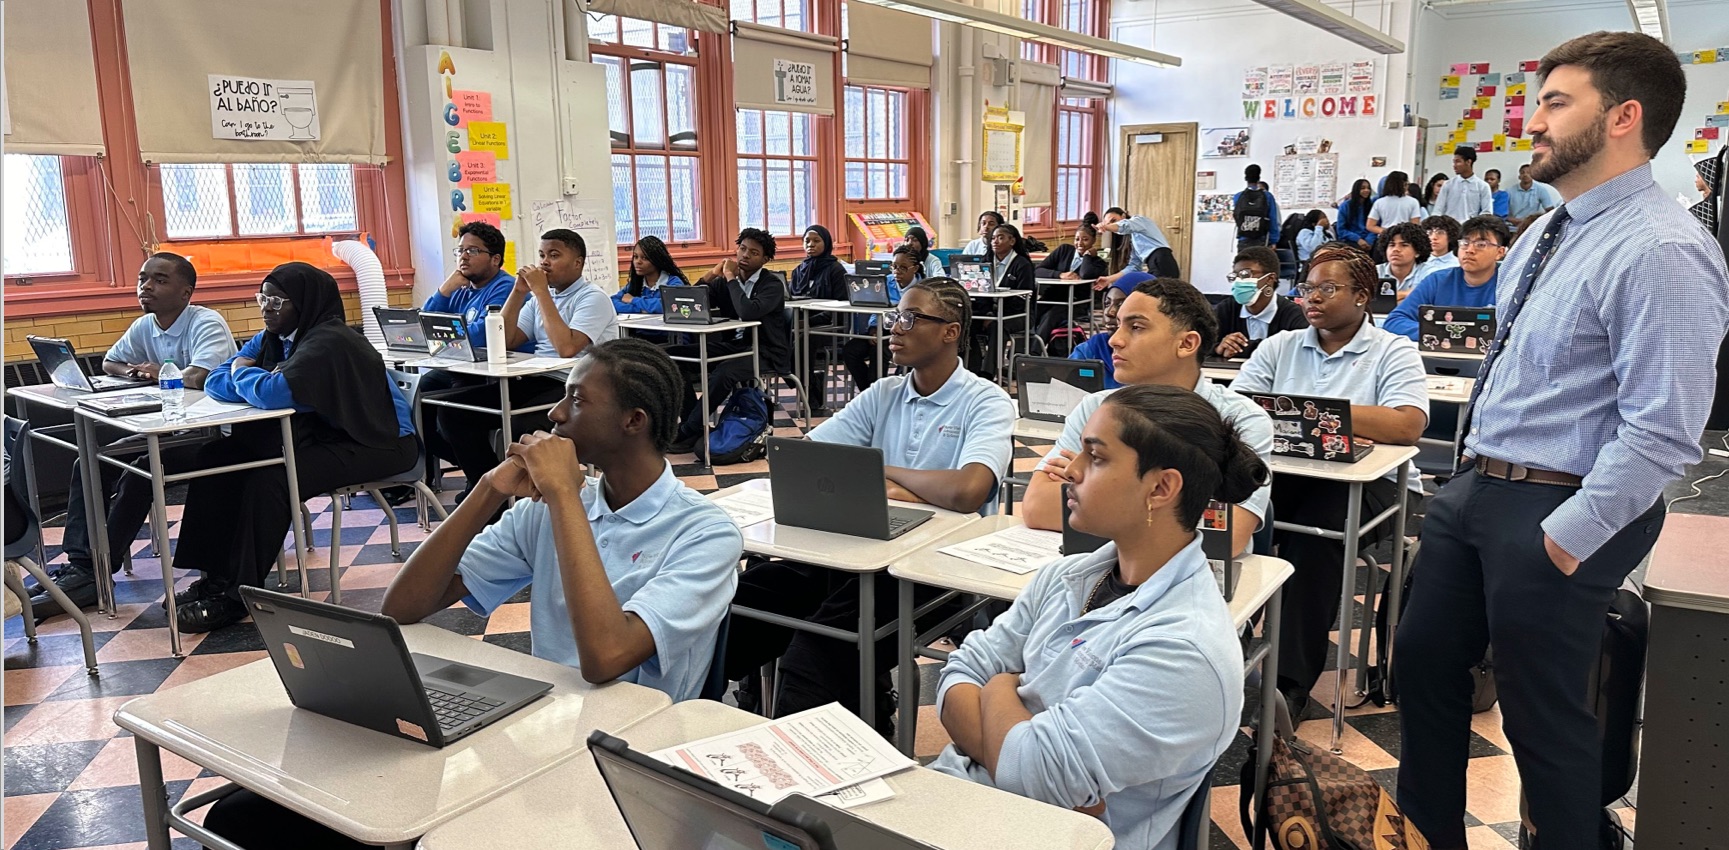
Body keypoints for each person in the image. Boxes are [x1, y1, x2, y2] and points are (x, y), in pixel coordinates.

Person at [1395, 32, 1729, 850]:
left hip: (1561, 505)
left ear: (1622, 117)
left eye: (1554, 103)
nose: (1532, 122)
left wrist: (1565, 540)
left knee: (1544, 719)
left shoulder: (1662, 250)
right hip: (1476, 486)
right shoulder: (1549, 232)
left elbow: (1664, 429)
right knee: (1423, 676)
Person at [207, 339, 742, 850]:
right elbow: (405, 606)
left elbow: (604, 659)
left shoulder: (705, 534)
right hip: (541, 722)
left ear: (633, 421)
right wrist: (489, 489)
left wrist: (562, 497)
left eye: (576, 400)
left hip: (628, 752)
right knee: (244, 815)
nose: (555, 414)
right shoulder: (547, 508)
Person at [928, 384, 1268, 850]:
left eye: (1097, 458)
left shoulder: (1184, 648)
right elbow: (959, 674)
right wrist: (1012, 744)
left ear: (1161, 488)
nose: (1071, 472)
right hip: (967, 805)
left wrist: (998, 688)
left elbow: (1032, 773)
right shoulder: (1068, 576)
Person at [725, 277, 1015, 730]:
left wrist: (886, 472)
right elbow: (806, 459)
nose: (894, 328)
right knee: (738, 607)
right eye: (895, 317)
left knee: (813, 656)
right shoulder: (884, 393)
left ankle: (808, 777)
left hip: (930, 571)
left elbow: (968, 491)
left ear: (950, 332)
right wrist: (900, 485)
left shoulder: (985, 400)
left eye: (910, 318)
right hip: (852, 549)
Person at [1231, 245, 1428, 719]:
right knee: (1231, 511)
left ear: (1362, 296)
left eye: (1327, 288)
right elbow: (1239, 408)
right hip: (1289, 474)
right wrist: (1344, 422)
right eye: (1307, 289)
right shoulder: (1281, 346)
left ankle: (1288, 684)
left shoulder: (1392, 351)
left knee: (1316, 532)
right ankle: (1223, 647)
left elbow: (1406, 424)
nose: (1312, 298)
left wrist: (1317, 415)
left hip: (1376, 486)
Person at [171, 264, 419, 633]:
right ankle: (215, 578)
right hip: (331, 436)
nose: (266, 308)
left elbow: (272, 393)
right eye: (262, 298)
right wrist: (247, 371)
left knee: (272, 479)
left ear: (304, 303)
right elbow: (216, 381)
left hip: (380, 442)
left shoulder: (328, 342)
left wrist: (244, 370)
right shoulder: (275, 336)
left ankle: (239, 596)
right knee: (218, 459)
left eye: (276, 301)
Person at [27, 253, 237, 617]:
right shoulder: (145, 325)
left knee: (141, 471)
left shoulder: (206, 322)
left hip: (214, 433)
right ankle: (81, 563)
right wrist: (135, 373)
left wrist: (158, 372)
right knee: (90, 461)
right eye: (143, 279)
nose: (147, 288)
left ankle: (95, 575)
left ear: (186, 292)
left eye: (159, 280)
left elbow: (200, 376)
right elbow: (111, 362)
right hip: (169, 428)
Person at [1021, 278, 1274, 559]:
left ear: (1187, 343)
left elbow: (1226, 535)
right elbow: (1036, 506)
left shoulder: (1241, 419)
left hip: (1199, 580)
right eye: (1117, 324)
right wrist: (1173, 505)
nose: (1115, 339)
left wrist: (1092, 490)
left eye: (1136, 327)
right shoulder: (1095, 407)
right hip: (1098, 567)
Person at [434, 229, 618, 502]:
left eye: (554, 256)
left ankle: (511, 498)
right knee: (452, 413)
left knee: (520, 424)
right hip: (534, 379)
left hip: (575, 386)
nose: (545, 262)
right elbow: (505, 340)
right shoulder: (538, 299)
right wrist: (519, 293)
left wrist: (541, 293)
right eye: (542, 255)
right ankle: (488, 489)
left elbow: (566, 349)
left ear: (578, 263)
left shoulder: (593, 298)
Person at [668, 228, 791, 452]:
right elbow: (689, 300)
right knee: (672, 357)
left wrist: (730, 277)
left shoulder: (771, 285)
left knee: (725, 373)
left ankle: (687, 430)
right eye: (742, 249)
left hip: (765, 352)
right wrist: (712, 275)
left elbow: (747, 311)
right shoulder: (723, 282)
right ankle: (694, 424)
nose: (744, 255)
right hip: (734, 346)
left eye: (753, 253)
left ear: (764, 259)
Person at [1384, 215, 1507, 341]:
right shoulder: (1437, 281)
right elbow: (1394, 321)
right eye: (1465, 243)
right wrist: (1440, 332)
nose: (1469, 250)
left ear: (1500, 252)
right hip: (1440, 353)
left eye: (1481, 244)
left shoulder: (1511, 284)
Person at [841, 243, 918, 390]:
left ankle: (876, 395)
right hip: (882, 329)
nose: (897, 271)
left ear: (915, 269)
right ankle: (869, 392)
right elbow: (876, 308)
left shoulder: (922, 287)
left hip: (907, 333)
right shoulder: (885, 282)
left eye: (903, 267)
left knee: (879, 350)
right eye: (894, 266)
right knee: (850, 350)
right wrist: (873, 329)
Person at [1214, 246, 1307, 361]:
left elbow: (1297, 352)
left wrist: (1241, 348)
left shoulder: (1294, 315)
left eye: (1246, 274)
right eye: (1235, 276)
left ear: (1270, 278)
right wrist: (1218, 347)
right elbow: (1201, 343)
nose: (1239, 281)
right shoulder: (1226, 309)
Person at [1066, 272, 1151, 389]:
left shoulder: (1162, 356)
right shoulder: (1090, 351)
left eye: (1121, 305)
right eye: (1107, 303)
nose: (1109, 312)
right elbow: (1063, 393)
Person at [1035, 213, 1109, 338]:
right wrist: (1060, 275)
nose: (1080, 243)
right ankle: (1023, 348)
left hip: (1077, 303)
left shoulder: (1098, 263)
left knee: (1051, 316)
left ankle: (1034, 352)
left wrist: (1087, 256)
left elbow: (1085, 274)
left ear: (1093, 241)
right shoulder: (1064, 250)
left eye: (1085, 239)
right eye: (1077, 239)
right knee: (1033, 312)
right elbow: (1038, 270)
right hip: (1052, 297)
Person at [612, 235, 685, 316]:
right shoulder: (636, 283)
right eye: (635, 257)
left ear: (657, 260)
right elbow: (613, 302)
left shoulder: (673, 282)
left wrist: (633, 300)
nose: (637, 262)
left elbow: (668, 305)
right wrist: (640, 310)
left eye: (644, 258)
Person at [1098, 207, 1177, 278]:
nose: (1112, 225)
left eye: (1113, 220)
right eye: (1109, 223)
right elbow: (1134, 266)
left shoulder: (1139, 220)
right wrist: (1109, 279)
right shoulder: (1134, 240)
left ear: (1123, 216)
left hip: (1161, 260)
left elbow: (1125, 225)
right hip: (1155, 263)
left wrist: (1106, 226)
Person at [1375, 221, 1437, 299]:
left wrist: (1387, 298)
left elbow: (1426, 298)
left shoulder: (1430, 273)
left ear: (1418, 252)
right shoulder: (1374, 272)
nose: (1396, 249)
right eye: (1392, 245)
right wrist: (1407, 294)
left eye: (1404, 245)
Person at [1433, 145, 1495, 221]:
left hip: (1470, 228)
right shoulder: (1448, 184)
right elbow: (1438, 210)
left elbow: (1487, 212)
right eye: (1454, 162)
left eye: (1458, 162)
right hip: (1449, 227)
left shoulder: (1482, 186)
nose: (1454, 166)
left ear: (1468, 162)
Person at [789, 224, 847, 300]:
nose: (810, 245)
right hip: (800, 311)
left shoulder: (836, 270)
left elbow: (842, 301)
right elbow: (790, 297)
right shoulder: (798, 270)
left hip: (827, 311)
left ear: (826, 243)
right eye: (807, 241)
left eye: (816, 241)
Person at [1232, 164, 1282, 248]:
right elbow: (1273, 220)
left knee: (1243, 260)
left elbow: (1237, 216)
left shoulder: (1238, 196)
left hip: (1243, 238)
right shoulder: (1267, 196)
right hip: (1261, 239)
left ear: (1245, 178)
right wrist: (1273, 240)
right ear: (1259, 178)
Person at [1506, 163, 1560, 233]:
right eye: (1522, 173)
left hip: (1532, 225)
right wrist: (1515, 221)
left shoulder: (1540, 190)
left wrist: (1537, 220)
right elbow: (1502, 214)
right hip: (1514, 225)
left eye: (1528, 173)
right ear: (1519, 176)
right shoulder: (1509, 191)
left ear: (1533, 175)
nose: (1525, 175)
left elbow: (1550, 210)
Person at [1367, 171, 1424, 235]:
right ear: (1404, 184)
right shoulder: (1413, 202)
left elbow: (1370, 226)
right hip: (1405, 237)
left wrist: (1386, 231)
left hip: (1385, 237)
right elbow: (1415, 225)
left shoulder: (1379, 202)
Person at [1336, 179, 1376, 250]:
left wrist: (1369, 241)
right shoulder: (1345, 206)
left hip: (1369, 241)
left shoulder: (1372, 206)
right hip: (1350, 240)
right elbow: (1341, 230)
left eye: (1368, 188)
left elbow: (1375, 226)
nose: (1366, 190)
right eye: (1363, 188)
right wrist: (1358, 239)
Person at [1691, 156, 1720, 236]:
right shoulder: (1709, 200)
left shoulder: (1718, 203)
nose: (1695, 181)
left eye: (1698, 177)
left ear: (1705, 178)